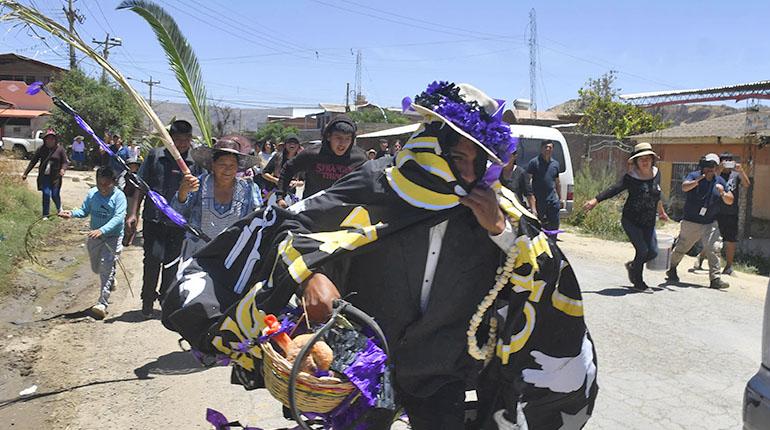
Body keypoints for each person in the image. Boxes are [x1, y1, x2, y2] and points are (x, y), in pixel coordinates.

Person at [163, 82, 597, 429]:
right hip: (366, 358)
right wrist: (310, 275)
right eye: (458, 156)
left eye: (477, 160)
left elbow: (541, 269)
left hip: (440, 366)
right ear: (432, 145)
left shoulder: (496, 208)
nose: (467, 172)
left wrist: (500, 231)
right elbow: (292, 224)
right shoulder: (378, 182)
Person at [126, 119, 204, 317]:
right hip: (155, 219)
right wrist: (133, 213)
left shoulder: (195, 163)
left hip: (179, 223)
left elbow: (200, 195)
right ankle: (147, 300)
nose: (183, 144)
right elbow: (141, 186)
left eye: (186, 139)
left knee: (171, 264)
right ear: (170, 139)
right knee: (151, 260)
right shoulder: (155, 156)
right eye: (178, 139)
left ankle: (166, 301)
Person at [582, 143, 669, 290]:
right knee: (642, 250)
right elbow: (614, 189)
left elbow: (657, 194)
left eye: (648, 158)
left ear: (652, 160)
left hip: (648, 221)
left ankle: (633, 266)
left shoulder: (656, 173)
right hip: (631, 220)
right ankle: (638, 281)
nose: (645, 161)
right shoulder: (630, 177)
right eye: (641, 159)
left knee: (653, 252)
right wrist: (595, 200)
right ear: (635, 162)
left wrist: (661, 212)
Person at [173, 136, 262, 260]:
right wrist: (183, 192)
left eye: (232, 165)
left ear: (238, 167)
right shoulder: (197, 184)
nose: (228, 169)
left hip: (233, 255)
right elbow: (175, 215)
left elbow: (258, 220)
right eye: (222, 164)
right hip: (197, 254)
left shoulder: (249, 188)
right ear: (212, 165)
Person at [58, 167, 126, 320]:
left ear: (113, 183)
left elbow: (118, 218)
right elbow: (84, 211)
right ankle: (110, 277)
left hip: (113, 237)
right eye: (100, 184)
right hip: (94, 237)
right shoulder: (92, 194)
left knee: (106, 266)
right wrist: (71, 213)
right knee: (96, 268)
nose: (103, 188)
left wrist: (102, 230)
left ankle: (102, 303)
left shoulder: (119, 196)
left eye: (106, 184)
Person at [666, 153, 733, 289]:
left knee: (713, 248)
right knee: (682, 247)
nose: (710, 169)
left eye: (713, 166)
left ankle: (715, 278)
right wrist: (699, 180)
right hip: (691, 221)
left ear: (716, 167)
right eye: (707, 166)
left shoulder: (719, 181)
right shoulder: (694, 175)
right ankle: (671, 267)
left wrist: (723, 193)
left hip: (710, 222)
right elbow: (684, 187)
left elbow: (730, 200)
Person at [274, 116, 367, 208]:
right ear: (328, 136)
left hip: (344, 212)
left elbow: (369, 182)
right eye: (338, 138)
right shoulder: (312, 154)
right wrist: (280, 196)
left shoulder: (359, 158)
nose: (342, 144)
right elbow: (289, 168)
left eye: (347, 139)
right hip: (312, 210)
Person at [693, 152, 750, 275]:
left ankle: (729, 267)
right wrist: (719, 169)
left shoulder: (735, 175)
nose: (727, 163)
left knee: (730, 240)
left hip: (731, 212)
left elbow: (746, 184)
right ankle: (701, 256)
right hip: (716, 211)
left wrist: (741, 171)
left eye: (729, 160)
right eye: (724, 161)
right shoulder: (715, 174)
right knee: (712, 239)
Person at [21, 129, 69, 218]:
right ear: (45, 140)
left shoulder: (60, 149)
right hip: (45, 176)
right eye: (48, 139)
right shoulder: (41, 149)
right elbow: (33, 161)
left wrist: (63, 169)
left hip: (56, 177)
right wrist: (26, 173)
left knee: (55, 194)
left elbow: (65, 162)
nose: (50, 140)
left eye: (52, 139)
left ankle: (59, 209)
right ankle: (45, 215)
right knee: (46, 194)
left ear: (55, 140)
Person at [527, 141, 562, 232]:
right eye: (546, 147)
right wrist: (530, 197)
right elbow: (528, 181)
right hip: (538, 200)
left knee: (554, 225)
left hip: (552, 200)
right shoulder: (534, 162)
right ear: (541, 148)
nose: (548, 149)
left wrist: (560, 198)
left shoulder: (555, 164)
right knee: (536, 225)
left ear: (552, 149)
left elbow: (557, 182)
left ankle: (553, 243)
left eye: (550, 147)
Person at [261, 134, 302, 203]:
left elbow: (302, 181)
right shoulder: (277, 157)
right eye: (289, 142)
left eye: (295, 143)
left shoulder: (300, 160)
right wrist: (276, 180)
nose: (292, 144)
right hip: (273, 190)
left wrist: (295, 183)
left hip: (290, 193)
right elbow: (264, 173)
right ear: (285, 145)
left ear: (298, 146)